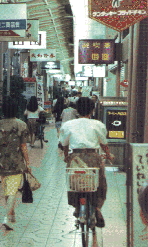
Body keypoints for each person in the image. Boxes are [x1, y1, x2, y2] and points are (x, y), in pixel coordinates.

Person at [60, 97, 114, 228]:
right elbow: (103, 143)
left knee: (75, 181)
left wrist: (66, 156)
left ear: (77, 110)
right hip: (93, 157)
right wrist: (108, 155)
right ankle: (97, 209)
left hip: (75, 157)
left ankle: (78, 208)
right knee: (99, 182)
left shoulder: (68, 125)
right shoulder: (98, 124)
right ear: (92, 110)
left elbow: (65, 144)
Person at [0, 97, 31, 231]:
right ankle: (7, 217)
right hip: (16, 163)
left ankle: (12, 215)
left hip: (1, 162)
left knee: (7, 190)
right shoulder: (21, 125)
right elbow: (23, 147)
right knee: (12, 191)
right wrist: (27, 163)